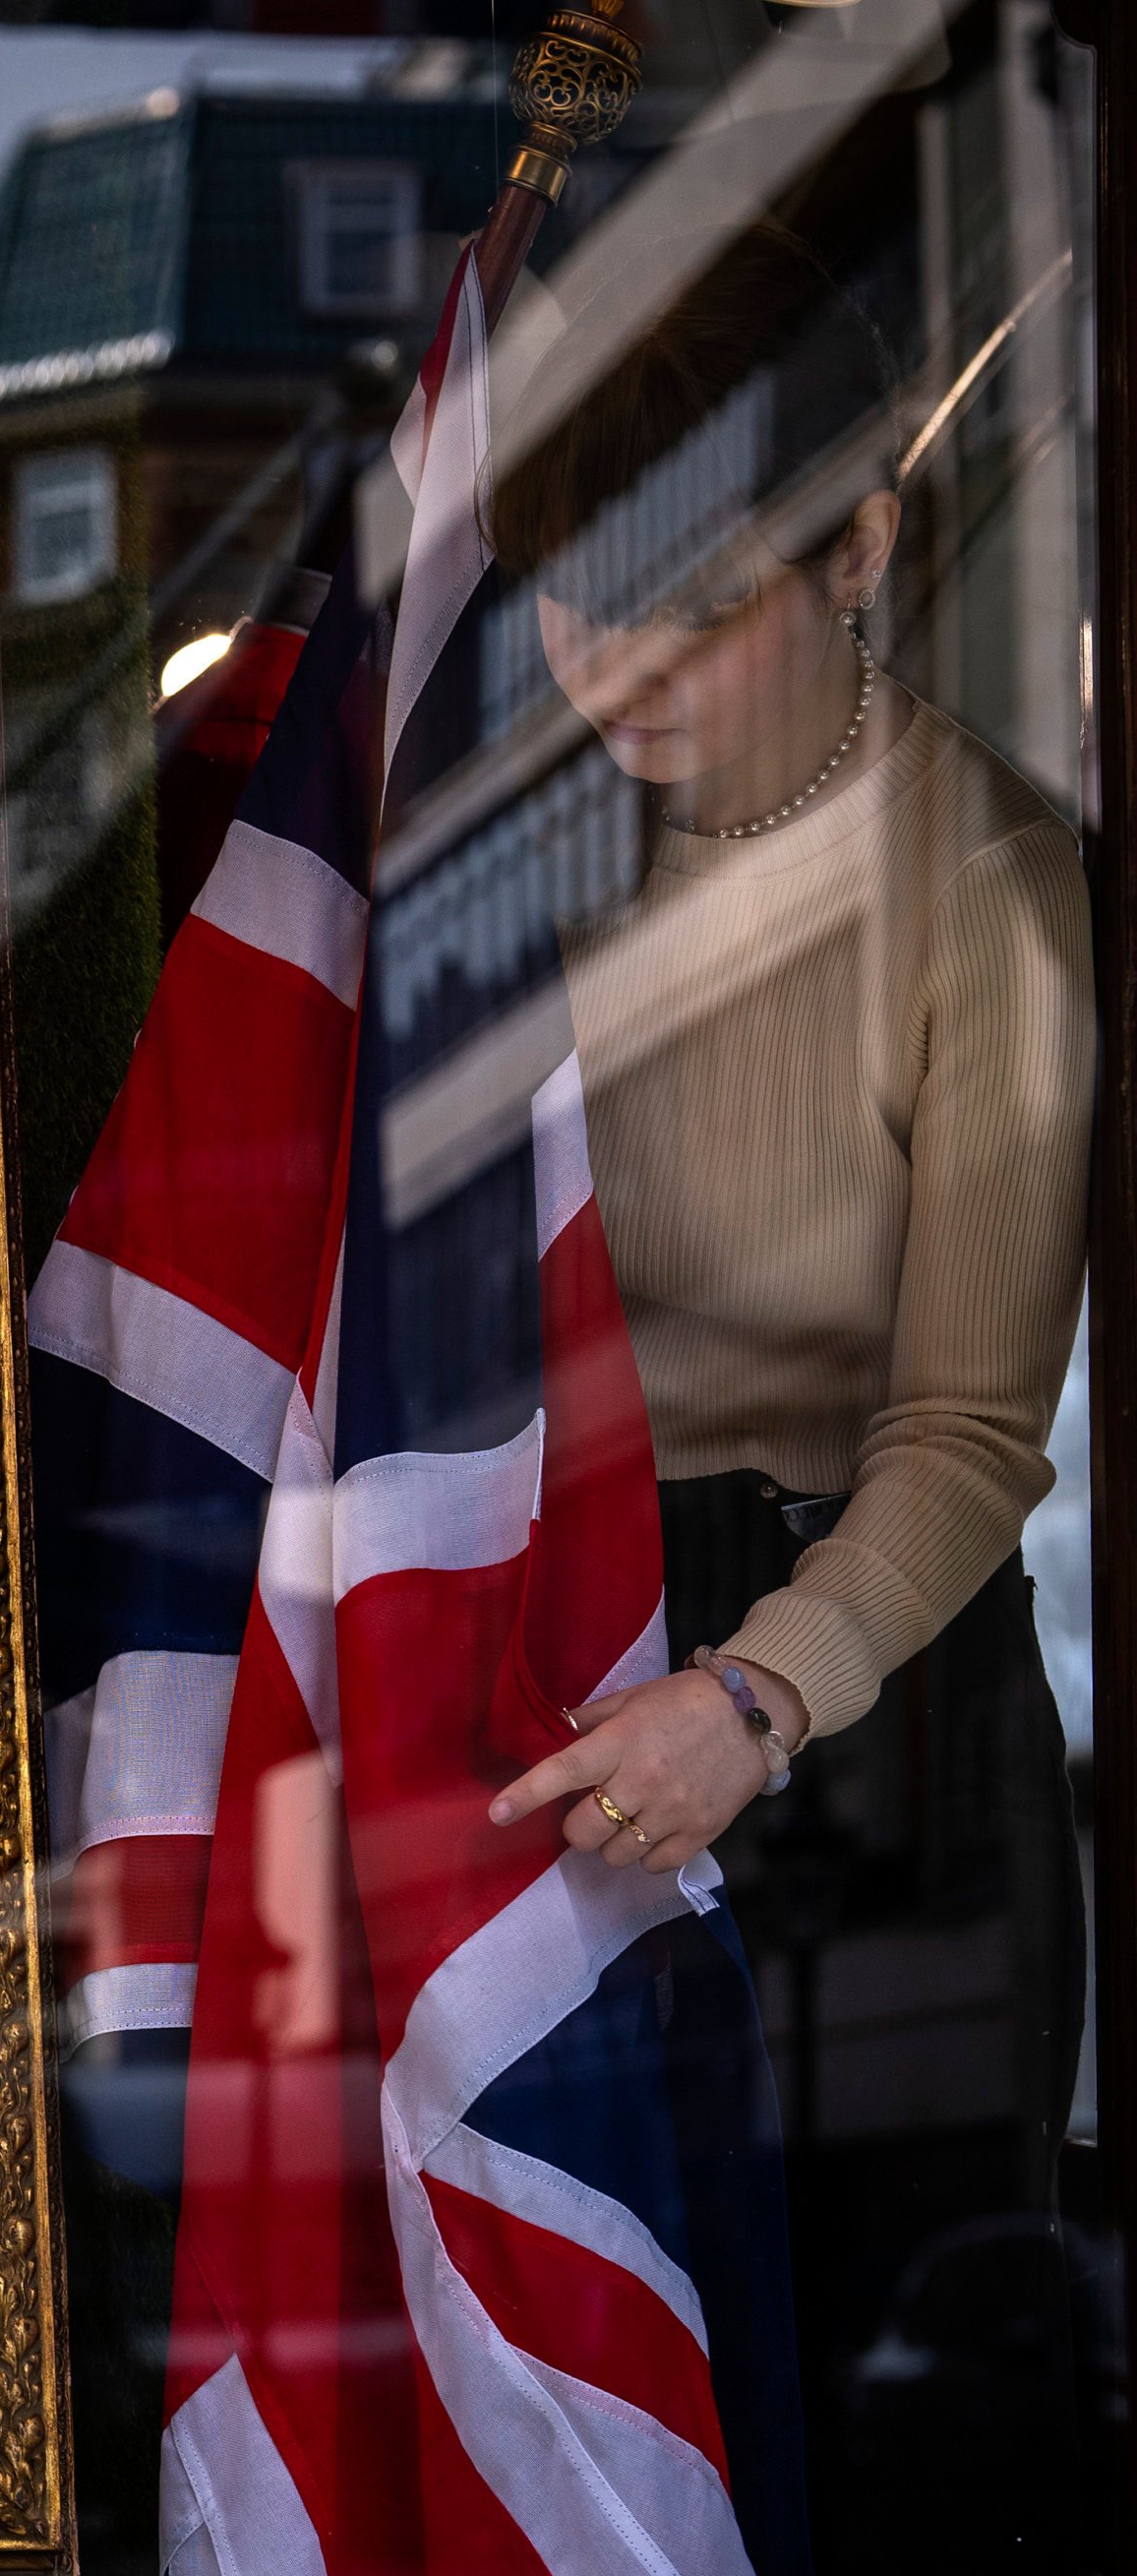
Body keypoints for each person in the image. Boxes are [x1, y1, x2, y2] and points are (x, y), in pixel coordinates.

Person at [480, 234, 1094, 2249]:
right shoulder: (488, 844)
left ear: (857, 547)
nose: (621, 668)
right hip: (539, 1630)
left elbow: (969, 1434)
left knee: (871, 2424)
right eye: (578, 603)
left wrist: (753, 1697)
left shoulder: (984, 887)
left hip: (855, 1685)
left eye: (694, 602)